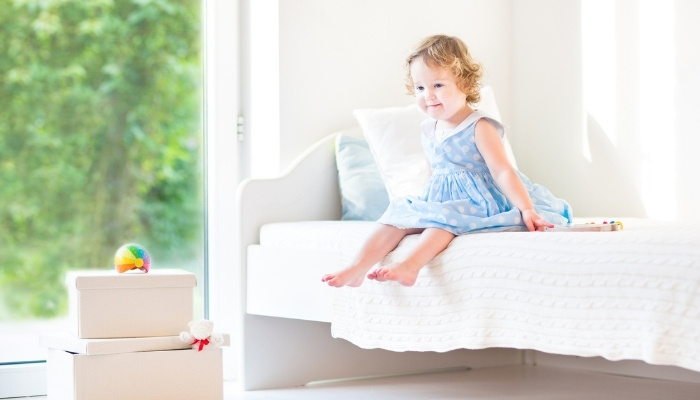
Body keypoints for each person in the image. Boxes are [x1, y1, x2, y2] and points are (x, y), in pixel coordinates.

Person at [322, 34, 572, 288]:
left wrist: (526, 208)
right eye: (420, 88)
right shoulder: (429, 129)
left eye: (438, 85)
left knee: (442, 222)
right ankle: (356, 268)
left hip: (480, 199)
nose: (428, 95)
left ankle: (410, 266)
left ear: (464, 83)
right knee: (396, 217)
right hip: (442, 198)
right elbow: (435, 173)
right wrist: (423, 207)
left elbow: (503, 171)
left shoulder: (479, 126)